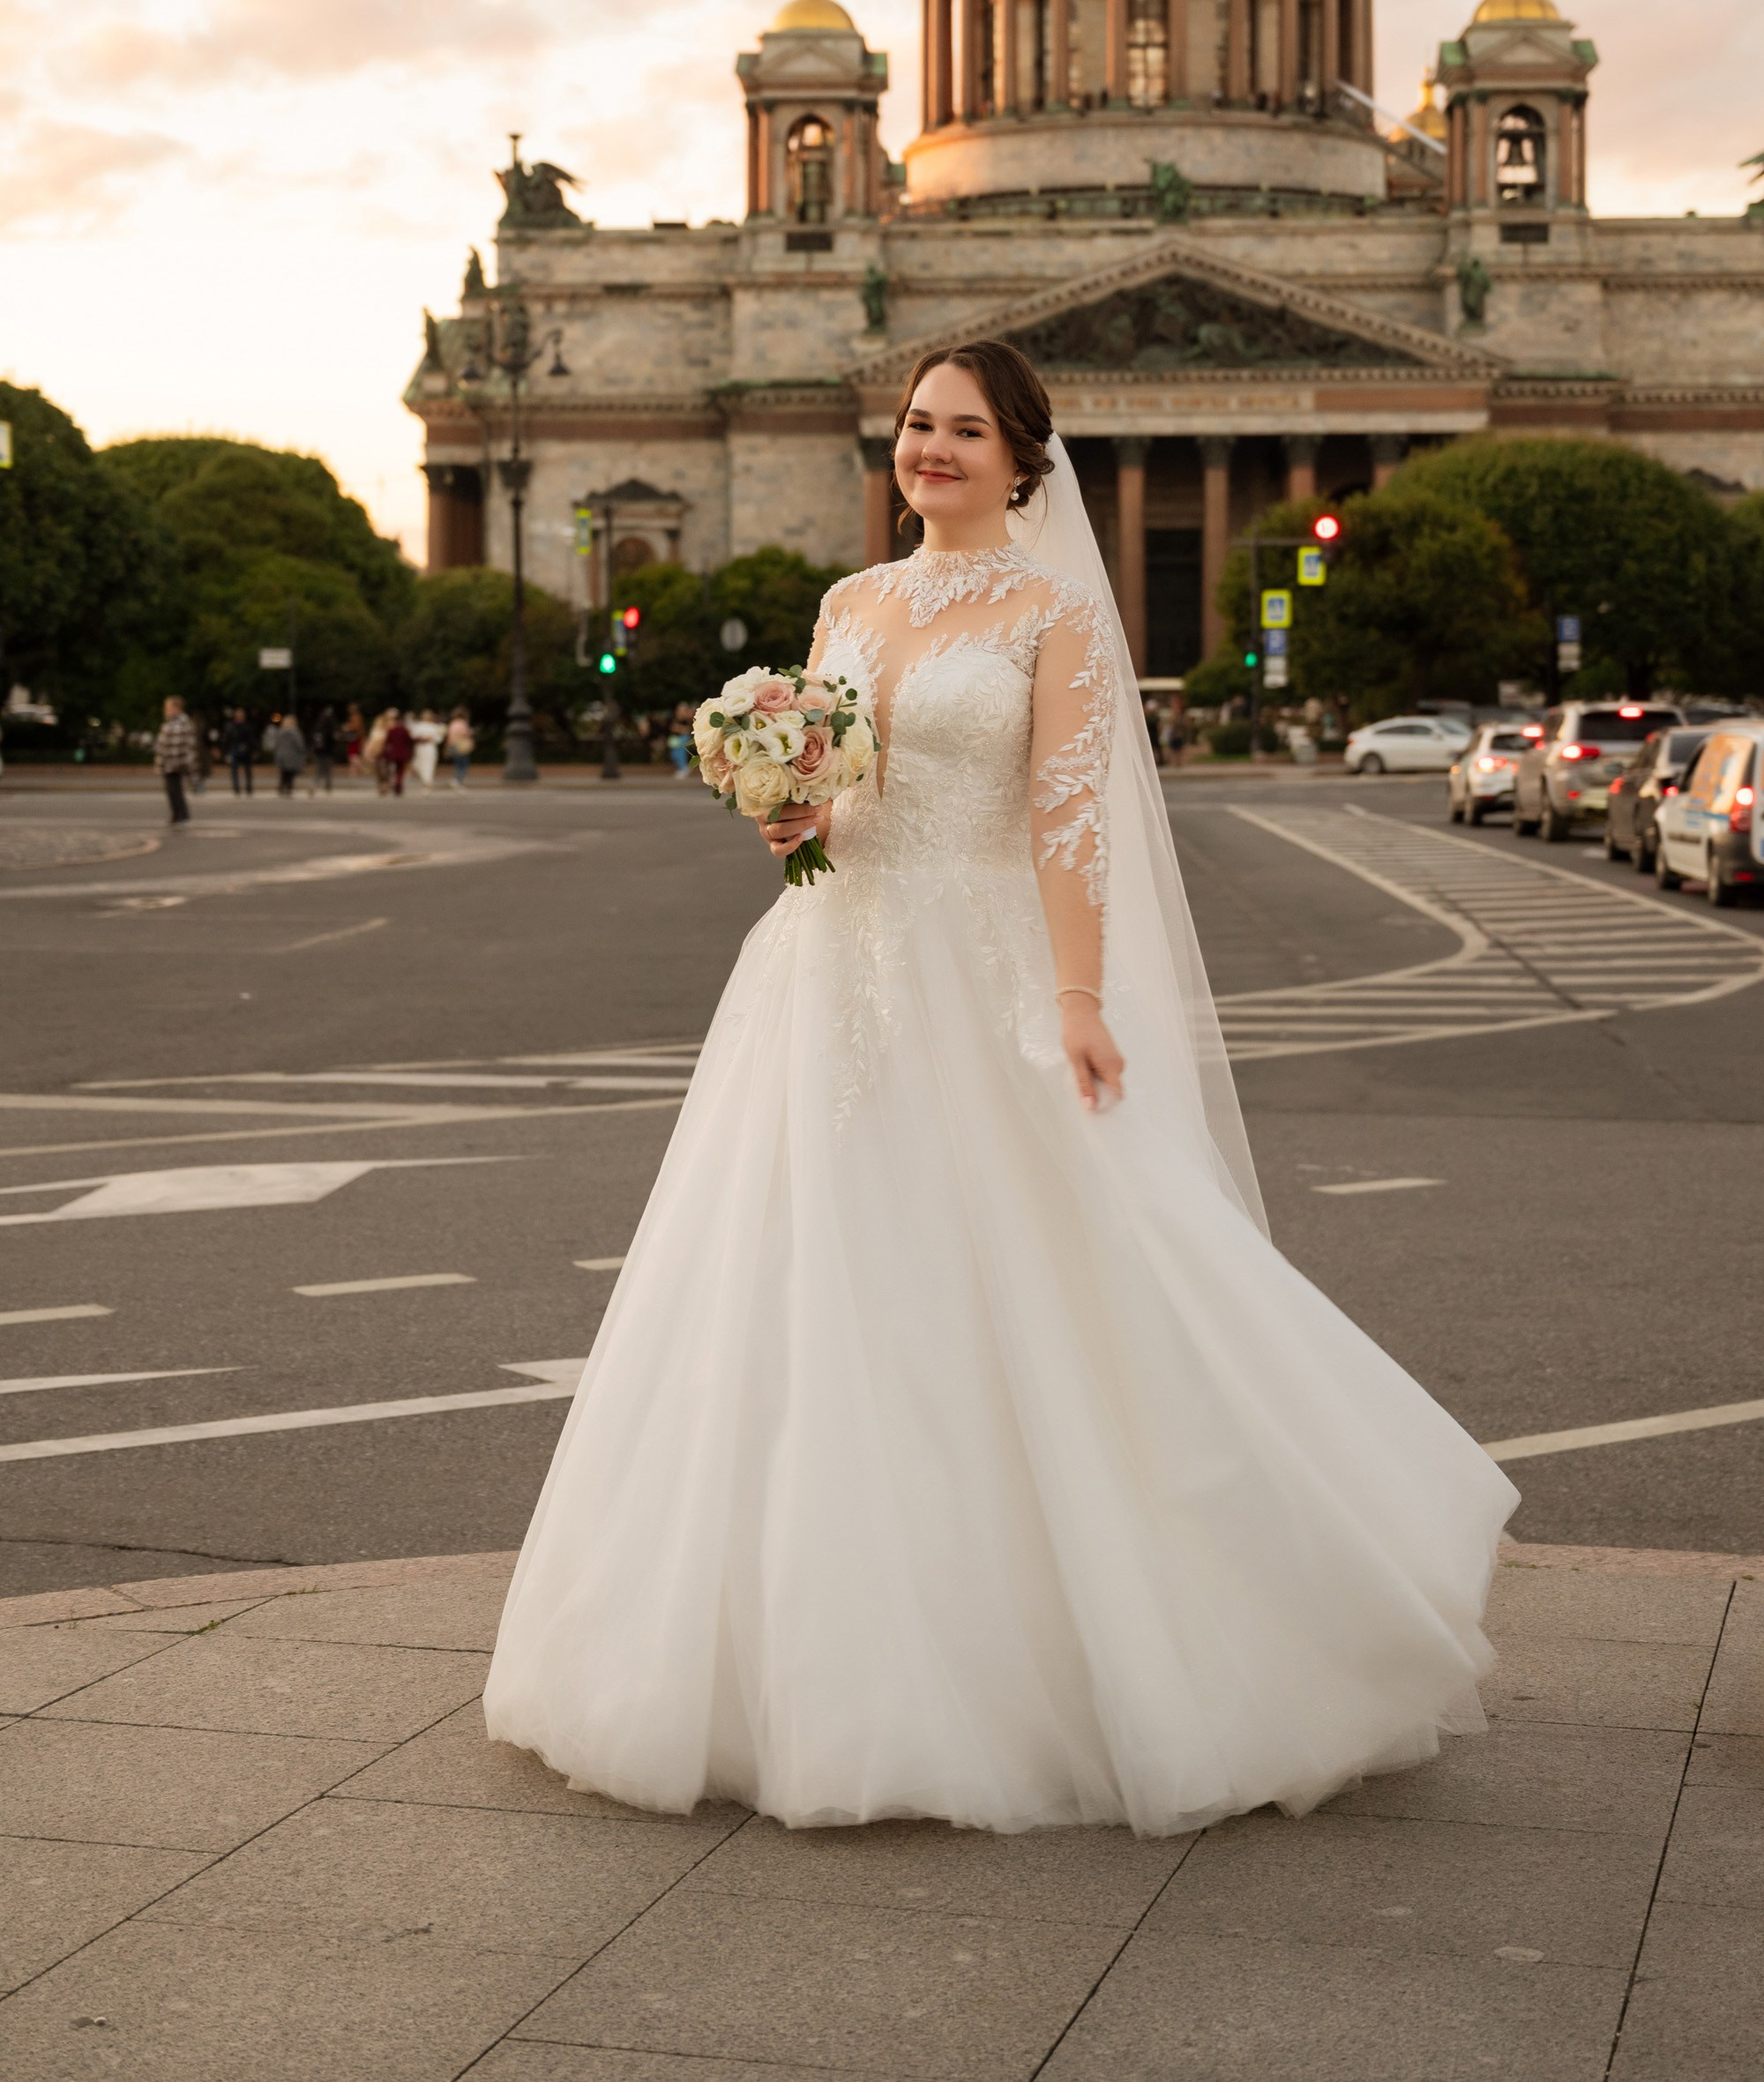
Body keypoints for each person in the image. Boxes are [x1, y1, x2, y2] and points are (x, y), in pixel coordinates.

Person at [485, 341, 1514, 1837]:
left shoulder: (1054, 616)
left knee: (1027, 1283)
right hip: (823, 967)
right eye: (917, 425)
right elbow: (843, 793)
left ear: (1026, 460)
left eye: (965, 429)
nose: (933, 449)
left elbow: (1068, 820)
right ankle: (792, 1657)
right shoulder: (847, 605)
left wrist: (1083, 998)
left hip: (981, 971)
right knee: (804, 1295)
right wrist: (789, 809)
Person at [153, 695, 198, 827]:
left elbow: (180, 745)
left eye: (169, 707)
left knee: (174, 790)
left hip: (175, 762)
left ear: (177, 708)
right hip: (170, 762)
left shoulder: (180, 723)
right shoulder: (171, 723)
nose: (166, 710)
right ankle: (180, 814)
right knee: (173, 789)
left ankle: (179, 814)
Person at [273, 712, 306, 796]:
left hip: (281, 755)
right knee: (290, 773)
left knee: (283, 773)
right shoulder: (295, 733)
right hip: (292, 755)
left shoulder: (280, 732)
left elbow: (276, 744)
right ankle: (289, 788)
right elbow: (300, 744)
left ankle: (281, 788)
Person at [408, 708, 444, 791]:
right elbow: (412, 736)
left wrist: (430, 738)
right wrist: (421, 738)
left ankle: (427, 782)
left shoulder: (435, 726)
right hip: (420, 747)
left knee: (429, 764)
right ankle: (426, 780)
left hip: (430, 747)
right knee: (418, 764)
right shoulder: (418, 726)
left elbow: (439, 739)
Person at [381, 710, 414, 796]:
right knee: (400, 771)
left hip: (394, 753)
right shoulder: (404, 731)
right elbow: (409, 741)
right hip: (403, 753)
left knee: (395, 770)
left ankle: (396, 783)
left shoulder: (392, 731)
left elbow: (387, 742)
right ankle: (398, 783)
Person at [224, 708, 254, 797]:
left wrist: (252, 749)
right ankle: (236, 789)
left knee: (248, 770)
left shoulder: (248, 726)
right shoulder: (231, 726)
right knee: (234, 770)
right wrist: (227, 751)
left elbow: (251, 739)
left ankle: (249, 789)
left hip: (246, 749)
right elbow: (227, 739)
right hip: (235, 749)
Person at [309, 705, 339, 795]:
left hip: (319, 752)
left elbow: (313, 738)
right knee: (327, 770)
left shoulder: (318, 727)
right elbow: (334, 739)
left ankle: (315, 785)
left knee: (319, 770)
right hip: (328, 752)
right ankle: (327, 787)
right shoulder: (331, 727)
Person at [443, 707, 475, 789]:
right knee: (463, 765)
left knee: (458, 764)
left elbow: (449, 737)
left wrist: (447, 748)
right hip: (462, 746)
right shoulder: (463, 723)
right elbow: (466, 734)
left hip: (453, 745)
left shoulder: (453, 723)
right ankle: (457, 780)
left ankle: (456, 780)